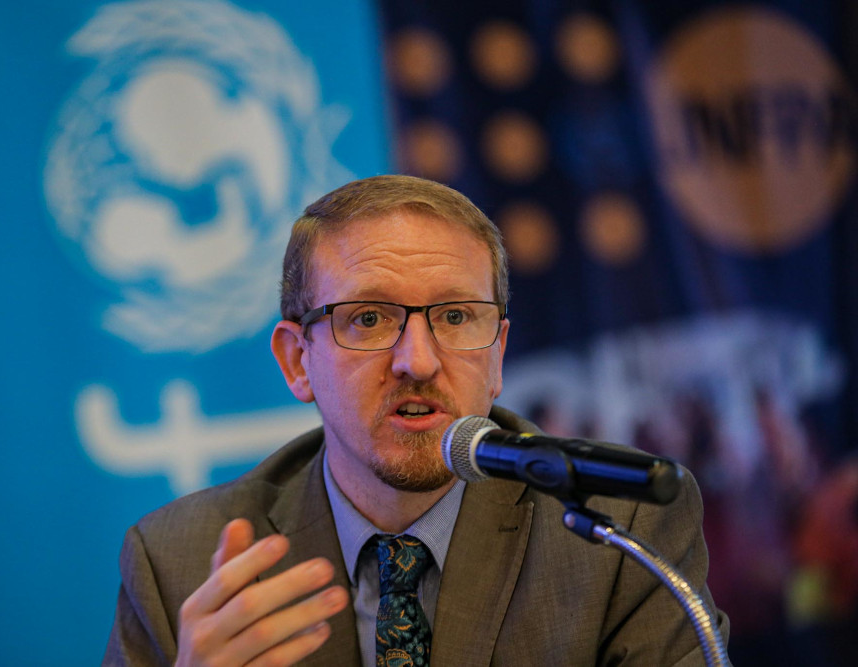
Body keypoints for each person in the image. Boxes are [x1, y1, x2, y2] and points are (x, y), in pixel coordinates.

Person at [103, 175, 729, 666]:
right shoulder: (179, 566)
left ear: (497, 355)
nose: (419, 361)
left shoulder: (623, 534)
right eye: (369, 318)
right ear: (297, 361)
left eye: (457, 317)